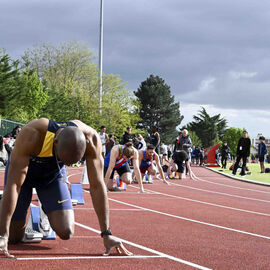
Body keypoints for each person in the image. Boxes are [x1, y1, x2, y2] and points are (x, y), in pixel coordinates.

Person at [0, 118, 131, 258]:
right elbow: (14, 185)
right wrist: (2, 235)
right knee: (13, 238)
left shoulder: (91, 139)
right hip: (23, 175)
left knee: (66, 231)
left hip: (53, 175)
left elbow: (97, 186)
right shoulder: (33, 133)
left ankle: (46, 211)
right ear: (55, 142)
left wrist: (106, 234)